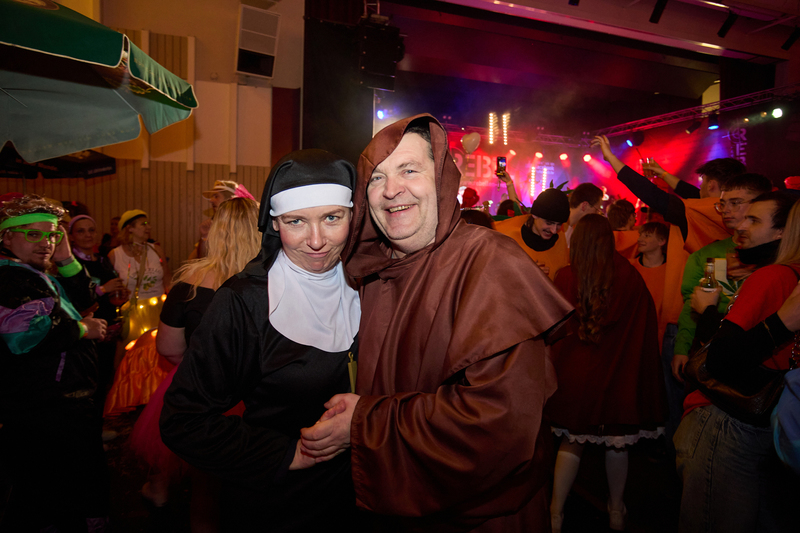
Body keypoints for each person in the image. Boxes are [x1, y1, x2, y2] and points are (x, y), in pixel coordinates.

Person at [299, 114, 574, 532]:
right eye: (377, 178)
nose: (392, 189)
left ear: (442, 178)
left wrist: (364, 422)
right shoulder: (371, 271)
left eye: (409, 170)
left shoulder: (488, 263)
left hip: (479, 516)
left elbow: (498, 427)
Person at [160, 149, 361, 531]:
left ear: (354, 216)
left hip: (359, 500)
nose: (316, 240)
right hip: (280, 504)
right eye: (296, 221)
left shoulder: (373, 285)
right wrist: (288, 453)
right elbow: (183, 420)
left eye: (332, 218)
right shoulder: (244, 301)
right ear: (274, 223)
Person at [130, 197, 260, 527]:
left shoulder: (190, 281)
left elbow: (168, 347)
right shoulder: (279, 279)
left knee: (205, 486)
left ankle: (163, 494)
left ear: (216, 232)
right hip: (260, 394)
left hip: (203, 391)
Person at [673, 192, 798, 533]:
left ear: (783, 232)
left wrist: (708, 313)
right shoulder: (776, 273)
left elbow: (721, 360)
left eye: (753, 219)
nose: (739, 225)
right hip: (765, 423)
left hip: (727, 421)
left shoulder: (773, 276)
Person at [547, 214, 666, 532]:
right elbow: (643, 330)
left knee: (571, 443)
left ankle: (555, 513)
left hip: (577, 377)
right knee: (617, 445)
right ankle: (616, 511)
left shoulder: (567, 277)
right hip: (617, 377)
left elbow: (553, 330)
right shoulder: (630, 276)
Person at [0, 195, 109, 531]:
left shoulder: (31, 272)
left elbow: (85, 298)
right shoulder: (9, 278)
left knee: (74, 477)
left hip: (66, 402)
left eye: (51, 234)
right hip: (44, 406)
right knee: (47, 489)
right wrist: (82, 329)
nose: (45, 243)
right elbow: (22, 336)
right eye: (33, 234)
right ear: (6, 237)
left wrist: (65, 258)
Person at [671, 174, 774, 382]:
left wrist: (760, 268)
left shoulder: (781, 256)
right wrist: (681, 348)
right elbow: (691, 304)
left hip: (768, 357)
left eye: (735, 203)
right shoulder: (704, 255)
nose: (726, 210)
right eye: (722, 204)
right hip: (713, 352)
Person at [592, 135, 745, 253]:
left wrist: (611, 158)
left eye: (703, 182)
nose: (699, 188)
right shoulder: (739, 210)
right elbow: (689, 191)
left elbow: (650, 193)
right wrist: (662, 173)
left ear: (711, 185)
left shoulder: (696, 211)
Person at [68, 214, 127, 411]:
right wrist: (103, 289)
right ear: (71, 237)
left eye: (91, 230)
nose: (87, 235)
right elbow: (74, 299)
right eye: (81, 231)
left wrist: (119, 295)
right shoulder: (70, 265)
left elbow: (111, 291)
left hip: (108, 328)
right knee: (86, 382)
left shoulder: (103, 260)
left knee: (104, 378)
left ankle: (99, 420)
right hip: (85, 332)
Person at [495, 187, 570, 279]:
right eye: (549, 223)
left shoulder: (560, 237)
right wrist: (524, 274)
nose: (554, 231)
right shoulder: (506, 234)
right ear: (535, 215)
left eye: (559, 224)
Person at [189, 180, 254, 260]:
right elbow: (194, 259)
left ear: (230, 200)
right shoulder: (213, 224)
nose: (211, 200)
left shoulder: (247, 225)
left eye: (216, 196)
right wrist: (204, 237)